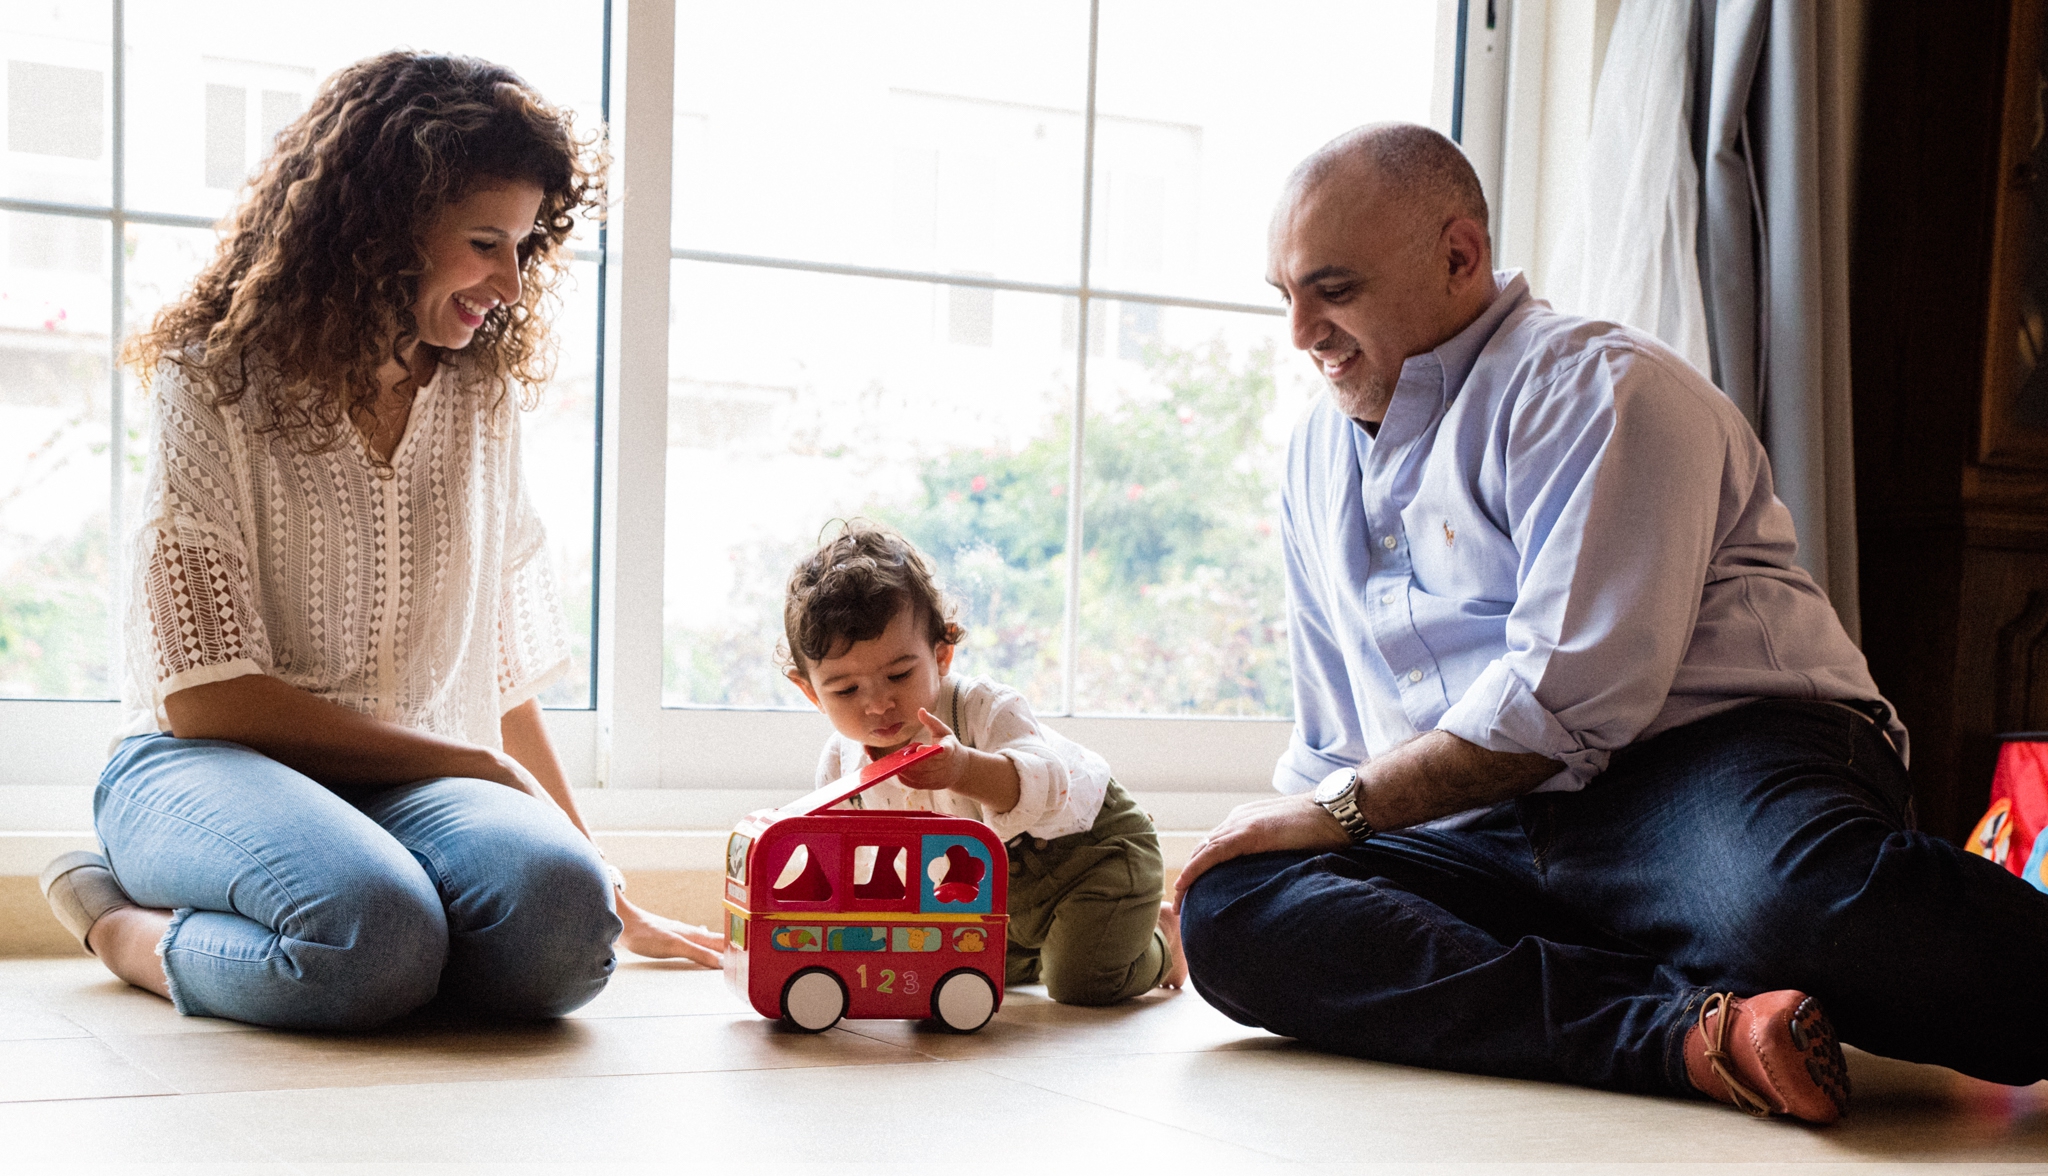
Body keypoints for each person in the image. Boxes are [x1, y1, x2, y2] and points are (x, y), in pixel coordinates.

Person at [1172, 122, 2048, 1123]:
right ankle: (1682, 1033)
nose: (1299, 333)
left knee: (1797, 910)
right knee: (1232, 913)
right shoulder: (1311, 459)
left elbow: (1564, 701)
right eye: (1283, 297)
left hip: (1707, 765)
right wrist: (1277, 842)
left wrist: (1338, 813)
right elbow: (1335, 735)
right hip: (1478, 822)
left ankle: (1687, 955)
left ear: (1458, 255)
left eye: (1332, 290)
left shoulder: (1599, 387)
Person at [36, 50, 722, 1031]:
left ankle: (394, 927)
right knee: (371, 938)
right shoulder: (212, 376)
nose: (513, 284)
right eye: (486, 242)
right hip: (199, 768)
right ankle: (118, 921)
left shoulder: (478, 395)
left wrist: (595, 872)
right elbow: (205, 695)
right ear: (384, 227)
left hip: (416, 784)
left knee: (564, 939)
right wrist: (475, 767)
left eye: (526, 246)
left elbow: (497, 670)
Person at [781, 524, 1187, 1006]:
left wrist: (964, 770)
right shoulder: (840, 766)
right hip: (989, 886)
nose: (877, 704)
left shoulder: (984, 707)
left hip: (1089, 853)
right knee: (959, 962)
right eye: (846, 690)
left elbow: (1048, 781)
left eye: (899, 674)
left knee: (1081, 984)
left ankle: (1162, 941)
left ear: (942, 654)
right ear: (809, 691)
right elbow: (851, 866)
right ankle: (1072, 941)